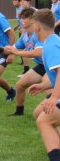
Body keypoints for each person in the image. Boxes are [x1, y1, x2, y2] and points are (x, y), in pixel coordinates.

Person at [0, 8, 49, 116]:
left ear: (32, 20)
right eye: (20, 18)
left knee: (48, 91)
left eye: (24, 18)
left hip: (52, 67)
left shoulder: (38, 34)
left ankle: (50, 116)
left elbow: (38, 52)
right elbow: (12, 49)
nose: (21, 20)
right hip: (42, 66)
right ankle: (19, 112)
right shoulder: (25, 36)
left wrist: (17, 53)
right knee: (20, 84)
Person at [28, 8, 60, 161]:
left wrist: (53, 98)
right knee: (39, 114)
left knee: (44, 121)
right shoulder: (53, 41)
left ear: (37, 27)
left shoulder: (51, 46)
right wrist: (43, 86)